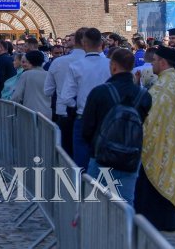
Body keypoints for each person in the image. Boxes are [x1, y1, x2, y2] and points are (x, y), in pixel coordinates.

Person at [82, 48, 151, 207]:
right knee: (126, 202)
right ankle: (125, 232)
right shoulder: (144, 96)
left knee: (95, 202)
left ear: (113, 66)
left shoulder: (99, 92)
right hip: (130, 155)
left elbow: (87, 128)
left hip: (102, 154)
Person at [134, 45, 175, 229]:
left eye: (154, 60)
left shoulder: (166, 83)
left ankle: (159, 220)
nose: (151, 64)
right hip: (170, 138)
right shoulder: (169, 79)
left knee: (158, 178)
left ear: (163, 61)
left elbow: (152, 115)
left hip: (162, 142)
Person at [59, 27, 110, 170]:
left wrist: (76, 105)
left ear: (84, 43)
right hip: (106, 117)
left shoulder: (76, 66)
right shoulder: (110, 65)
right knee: (105, 159)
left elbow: (66, 96)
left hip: (83, 115)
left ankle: (81, 189)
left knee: (81, 161)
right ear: (101, 43)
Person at [45, 28, 86, 156]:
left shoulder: (59, 62)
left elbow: (47, 90)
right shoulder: (102, 62)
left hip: (64, 112)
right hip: (89, 112)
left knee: (65, 153)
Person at [11, 51, 52, 118]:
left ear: (29, 61)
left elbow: (17, 96)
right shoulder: (48, 75)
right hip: (46, 114)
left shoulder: (26, 74)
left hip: (30, 113)